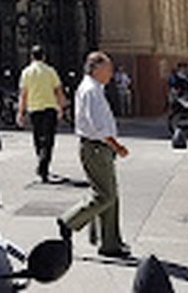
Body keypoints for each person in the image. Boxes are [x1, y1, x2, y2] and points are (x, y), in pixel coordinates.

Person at [58, 51, 132, 260]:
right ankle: (68, 221)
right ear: (96, 68)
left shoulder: (95, 88)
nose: (111, 73)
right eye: (108, 68)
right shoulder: (91, 90)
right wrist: (116, 146)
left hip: (100, 148)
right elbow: (98, 127)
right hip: (96, 147)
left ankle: (111, 243)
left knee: (111, 196)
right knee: (104, 196)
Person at [17, 44, 67, 182]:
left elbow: (23, 94)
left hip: (34, 109)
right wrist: (61, 107)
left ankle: (41, 162)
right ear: (43, 57)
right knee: (48, 140)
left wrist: (20, 112)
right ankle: (43, 166)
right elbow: (58, 91)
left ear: (31, 57)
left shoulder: (26, 72)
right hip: (50, 109)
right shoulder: (50, 71)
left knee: (38, 138)